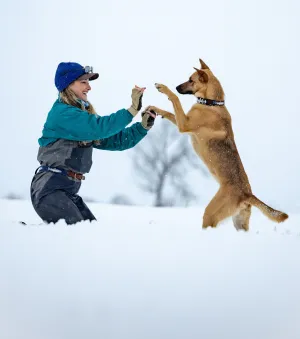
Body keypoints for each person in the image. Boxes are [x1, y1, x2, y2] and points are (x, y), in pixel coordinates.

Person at [31, 62, 156, 225]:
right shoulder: (63, 114)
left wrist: (142, 127)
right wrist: (132, 109)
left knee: (92, 231)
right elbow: (100, 128)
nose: (89, 87)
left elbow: (116, 141)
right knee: (77, 235)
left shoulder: (80, 119)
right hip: (49, 190)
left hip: (67, 191)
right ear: (68, 85)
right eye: (83, 82)